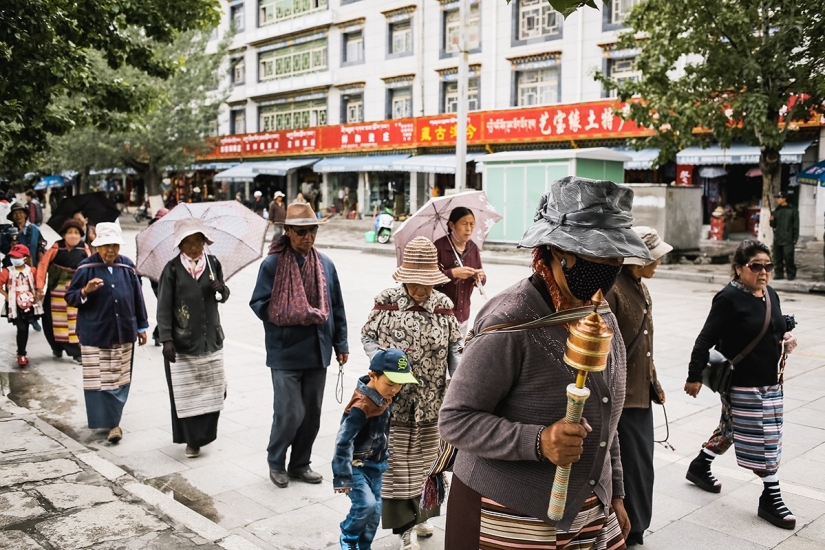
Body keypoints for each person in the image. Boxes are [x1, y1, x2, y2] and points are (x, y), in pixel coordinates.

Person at [439, 177, 653, 550]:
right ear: (558, 251)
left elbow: (607, 416)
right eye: (598, 255)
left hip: (590, 509)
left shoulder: (602, 314)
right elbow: (455, 420)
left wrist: (616, 491)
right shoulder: (511, 321)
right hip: (510, 512)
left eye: (617, 256)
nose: (610, 267)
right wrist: (539, 441)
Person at [684, 239, 798, 530]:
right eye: (756, 266)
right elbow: (704, 339)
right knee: (765, 440)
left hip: (771, 382)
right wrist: (694, 375)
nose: (763, 272)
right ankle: (771, 498)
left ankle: (700, 465)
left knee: (732, 429)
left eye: (767, 266)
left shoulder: (770, 294)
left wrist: (785, 336)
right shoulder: (728, 299)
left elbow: (772, 327)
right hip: (742, 384)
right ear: (738, 269)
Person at [361, 236, 462, 550]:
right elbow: (367, 338)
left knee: (428, 465)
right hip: (395, 404)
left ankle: (423, 517)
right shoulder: (387, 300)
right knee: (397, 467)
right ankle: (404, 530)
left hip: (432, 403)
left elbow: (455, 351)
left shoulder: (444, 306)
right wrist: (384, 360)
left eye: (426, 283)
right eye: (415, 282)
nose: (421, 290)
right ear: (404, 277)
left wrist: (460, 387)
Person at [250, 202, 349, 488]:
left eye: (312, 231)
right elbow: (258, 303)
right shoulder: (273, 264)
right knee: (290, 411)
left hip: (318, 349)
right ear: (289, 232)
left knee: (312, 414)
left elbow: (337, 306)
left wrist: (341, 343)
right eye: (302, 232)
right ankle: (276, 461)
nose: (308, 237)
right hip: (286, 351)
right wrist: (289, 309)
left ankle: (300, 464)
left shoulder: (326, 264)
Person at [605, 226, 671, 547]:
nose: (658, 263)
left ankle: (639, 525)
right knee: (629, 465)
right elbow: (608, 350)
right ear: (636, 259)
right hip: (621, 397)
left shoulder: (642, 288)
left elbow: (645, 343)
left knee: (643, 463)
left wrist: (654, 382)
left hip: (642, 394)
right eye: (654, 258)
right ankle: (627, 527)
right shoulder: (613, 291)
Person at [66, 222, 149, 443]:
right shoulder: (86, 268)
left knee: (119, 378)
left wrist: (141, 326)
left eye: (114, 246)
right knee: (99, 380)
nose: (110, 250)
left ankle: (114, 423)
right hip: (95, 332)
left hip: (124, 331)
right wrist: (85, 290)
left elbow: (137, 298)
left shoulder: (128, 267)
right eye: (106, 246)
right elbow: (71, 296)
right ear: (97, 246)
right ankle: (106, 419)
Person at [157, 218, 230, 459]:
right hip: (183, 342)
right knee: (186, 394)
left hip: (211, 340)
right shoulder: (172, 270)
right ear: (180, 245)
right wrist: (167, 339)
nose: (195, 247)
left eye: (198, 241)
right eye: (189, 242)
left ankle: (205, 435)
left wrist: (221, 289)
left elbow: (223, 295)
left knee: (215, 390)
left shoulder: (212, 263)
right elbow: (164, 306)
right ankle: (191, 440)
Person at [333, 348, 418, 550]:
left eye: (400, 384)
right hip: (357, 466)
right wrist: (342, 476)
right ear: (372, 375)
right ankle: (349, 536)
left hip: (376, 466)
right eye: (390, 383)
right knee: (365, 505)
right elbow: (343, 441)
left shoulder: (384, 394)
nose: (395, 389)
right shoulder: (361, 406)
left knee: (376, 511)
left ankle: (364, 545)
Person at [35, 219, 92, 362]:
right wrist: (39, 287)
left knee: (74, 321)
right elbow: (43, 266)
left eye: (76, 233)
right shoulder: (56, 247)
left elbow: (91, 267)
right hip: (56, 290)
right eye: (70, 232)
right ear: (64, 234)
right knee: (50, 319)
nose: (73, 236)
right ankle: (56, 347)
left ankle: (76, 352)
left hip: (76, 290)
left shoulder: (83, 248)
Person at [434, 207, 487, 336]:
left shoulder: (473, 248)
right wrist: (453, 273)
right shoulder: (439, 246)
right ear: (452, 225)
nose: (469, 228)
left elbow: (482, 278)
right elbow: (429, 280)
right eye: (464, 224)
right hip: (440, 314)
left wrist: (480, 277)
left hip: (463, 314)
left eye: (472, 224)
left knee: (458, 353)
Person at [0, 244, 43, 367]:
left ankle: (22, 353)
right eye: (12, 257)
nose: (15, 259)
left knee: (25, 328)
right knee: (21, 328)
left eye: (18, 257)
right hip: (15, 304)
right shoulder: (7, 271)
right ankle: (21, 354)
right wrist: (6, 295)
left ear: (25, 257)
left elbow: (37, 284)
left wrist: (39, 293)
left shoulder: (32, 271)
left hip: (29, 302)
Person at [1, 202, 46, 268]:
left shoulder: (34, 229)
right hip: (14, 268)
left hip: (33, 266)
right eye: (15, 213)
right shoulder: (7, 231)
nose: (18, 215)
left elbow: (41, 243)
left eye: (20, 212)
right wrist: (10, 247)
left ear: (25, 214)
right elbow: (2, 247)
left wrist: (41, 254)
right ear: (12, 216)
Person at [769, 191, 799, 281]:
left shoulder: (793, 210)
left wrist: (795, 237)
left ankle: (791, 273)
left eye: (779, 198)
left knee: (788, 256)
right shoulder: (776, 211)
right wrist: (771, 220)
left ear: (784, 199)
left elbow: (796, 225)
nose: (777, 200)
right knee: (777, 257)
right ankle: (779, 273)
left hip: (788, 237)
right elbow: (773, 225)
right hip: (778, 237)